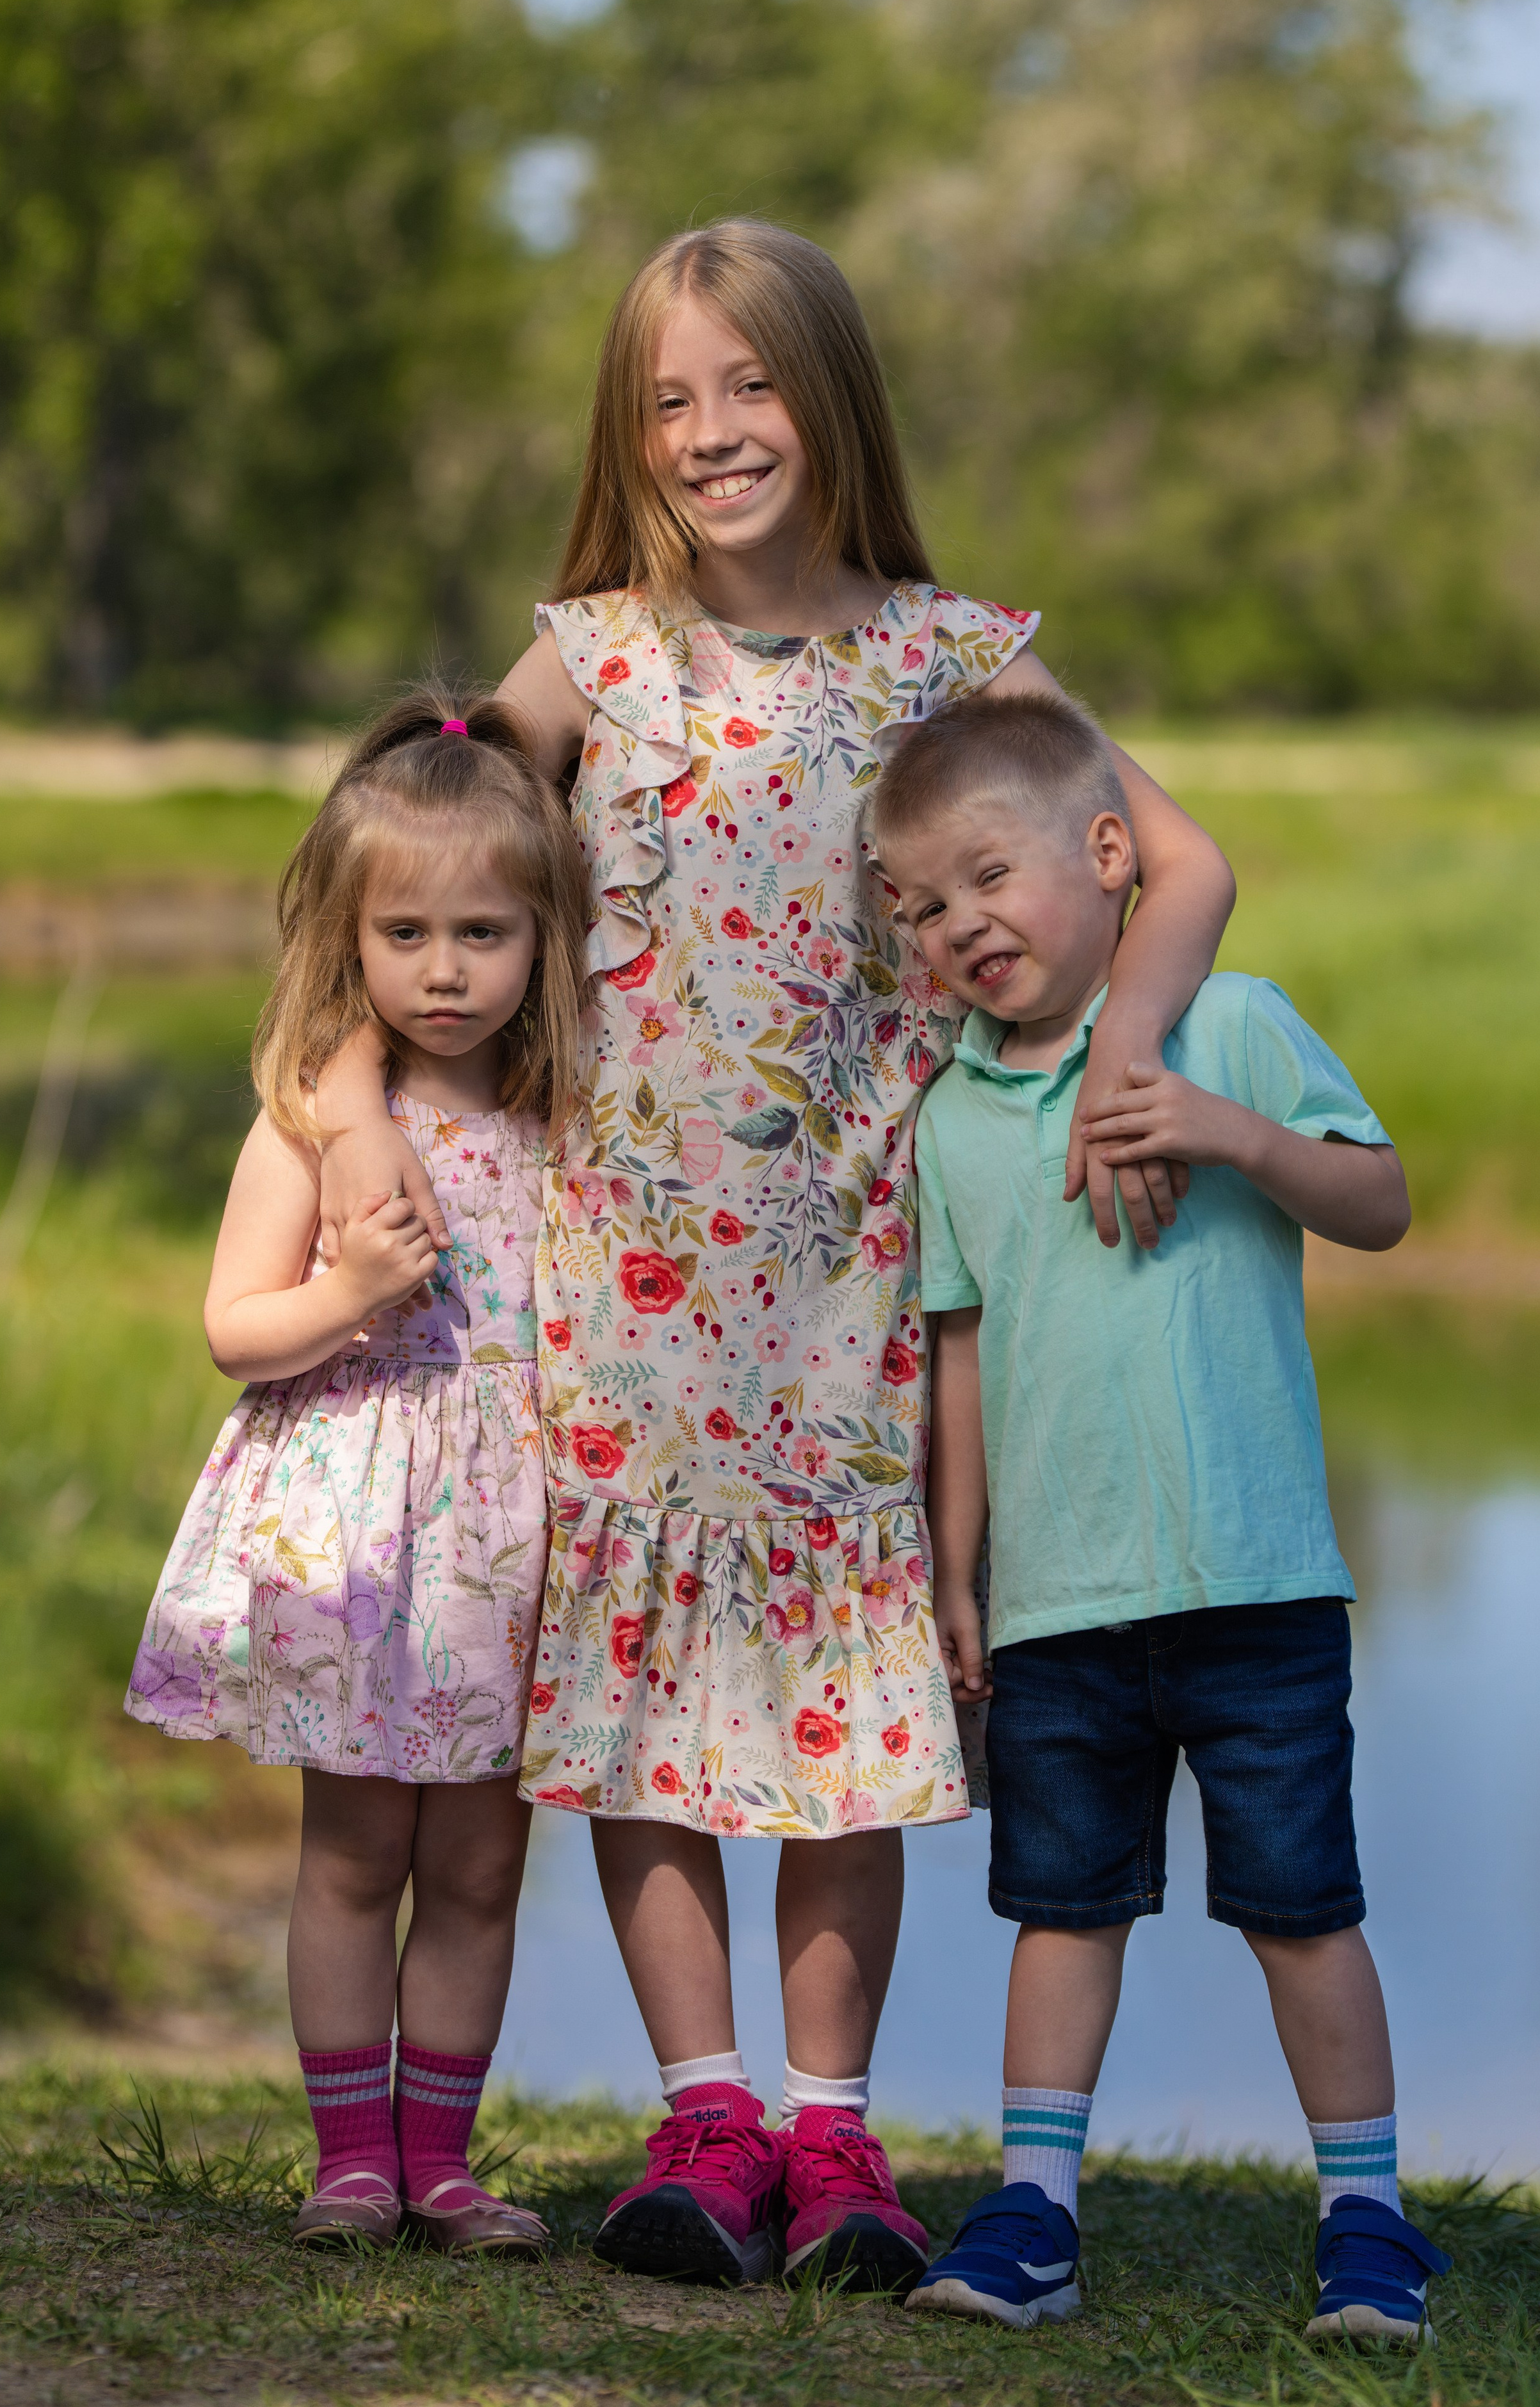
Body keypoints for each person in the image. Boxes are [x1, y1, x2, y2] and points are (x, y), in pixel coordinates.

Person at [309, 218, 1236, 2291]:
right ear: (626, 435)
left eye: (751, 382)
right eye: (668, 397)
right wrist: (354, 1108)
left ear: (831, 396)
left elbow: (1182, 857)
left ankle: (834, 2139)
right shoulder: (591, 657)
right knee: (640, 1710)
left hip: (859, 1290)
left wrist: (1137, 1056)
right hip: (616, 1289)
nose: (714, 430)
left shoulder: (940, 652)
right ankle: (703, 2108)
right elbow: (403, 879)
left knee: (838, 1717)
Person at [877, 689, 1452, 2344]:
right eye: (921, 902)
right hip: (1062, 1598)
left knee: (1303, 1905)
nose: (958, 922)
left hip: (1256, 1578)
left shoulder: (1237, 1022)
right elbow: (965, 1352)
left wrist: (1233, 1134)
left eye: (988, 873)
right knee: (1059, 1905)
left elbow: (1384, 1197)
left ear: (1109, 853)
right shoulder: (955, 1118)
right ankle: (1034, 2210)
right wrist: (959, 1563)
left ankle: (1368, 2216)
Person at [125, 689, 590, 2257]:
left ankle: (441, 2160)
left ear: (542, 938)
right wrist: (345, 1299)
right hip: (360, 1533)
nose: (445, 969)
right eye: (405, 933)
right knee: (351, 1848)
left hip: (505, 1541)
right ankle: (349, 2161)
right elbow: (234, 1328)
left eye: (482, 931)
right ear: (350, 938)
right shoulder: (315, 1125)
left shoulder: (557, 1118)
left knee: (476, 1858)